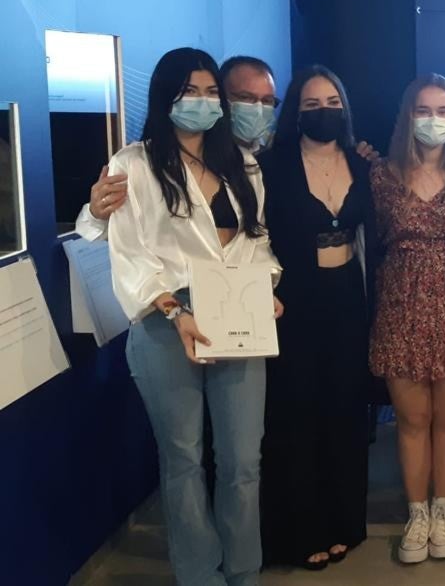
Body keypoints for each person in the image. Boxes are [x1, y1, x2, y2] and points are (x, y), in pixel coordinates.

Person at [106, 47, 281, 586]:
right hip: (166, 322)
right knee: (182, 460)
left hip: (236, 314)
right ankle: (199, 576)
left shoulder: (242, 163)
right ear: (165, 97)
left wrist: (266, 287)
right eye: (190, 92)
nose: (202, 103)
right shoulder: (132, 164)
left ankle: (244, 572)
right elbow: (129, 252)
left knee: (242, 462)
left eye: (210, 92)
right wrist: (175, 310)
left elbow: (258, 241)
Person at [256, 66, 375, 570]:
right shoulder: (271, 165)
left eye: (332, 102)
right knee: (295, 414)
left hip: (349, 298)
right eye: (311, 104)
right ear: (295, 112)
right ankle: (301, 528)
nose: (323, 111)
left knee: (345, 411)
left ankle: (344, 520)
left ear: (344, 107)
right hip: (293, 302)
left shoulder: (362, 161)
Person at [371, 73, 445, 564]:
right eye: (425, 110)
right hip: (400, 304)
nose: (434, 120)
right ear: (408, 115)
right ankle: (416, 512)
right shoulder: (380, 174)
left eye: (444, 111)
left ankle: (443, 510)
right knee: (411, 419)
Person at [75, 56, 379, 241]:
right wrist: (97, 213)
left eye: (266, 101)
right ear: (222, 99)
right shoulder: (147, 161)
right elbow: (123, 240)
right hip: (169, 310)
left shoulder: (261, 161)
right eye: (246, 99)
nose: (257, 109)